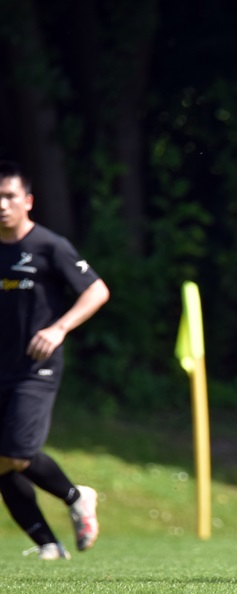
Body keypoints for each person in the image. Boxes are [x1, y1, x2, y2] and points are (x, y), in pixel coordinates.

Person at [0, 161, 107, 560]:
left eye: (9, 196)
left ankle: (77, 497)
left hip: (35, 368)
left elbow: (96, 291)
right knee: (3, 462)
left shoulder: (49, 245)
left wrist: (59, 329)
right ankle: (48, 544)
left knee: (16, 453)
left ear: (28, 201)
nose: (2, 205)